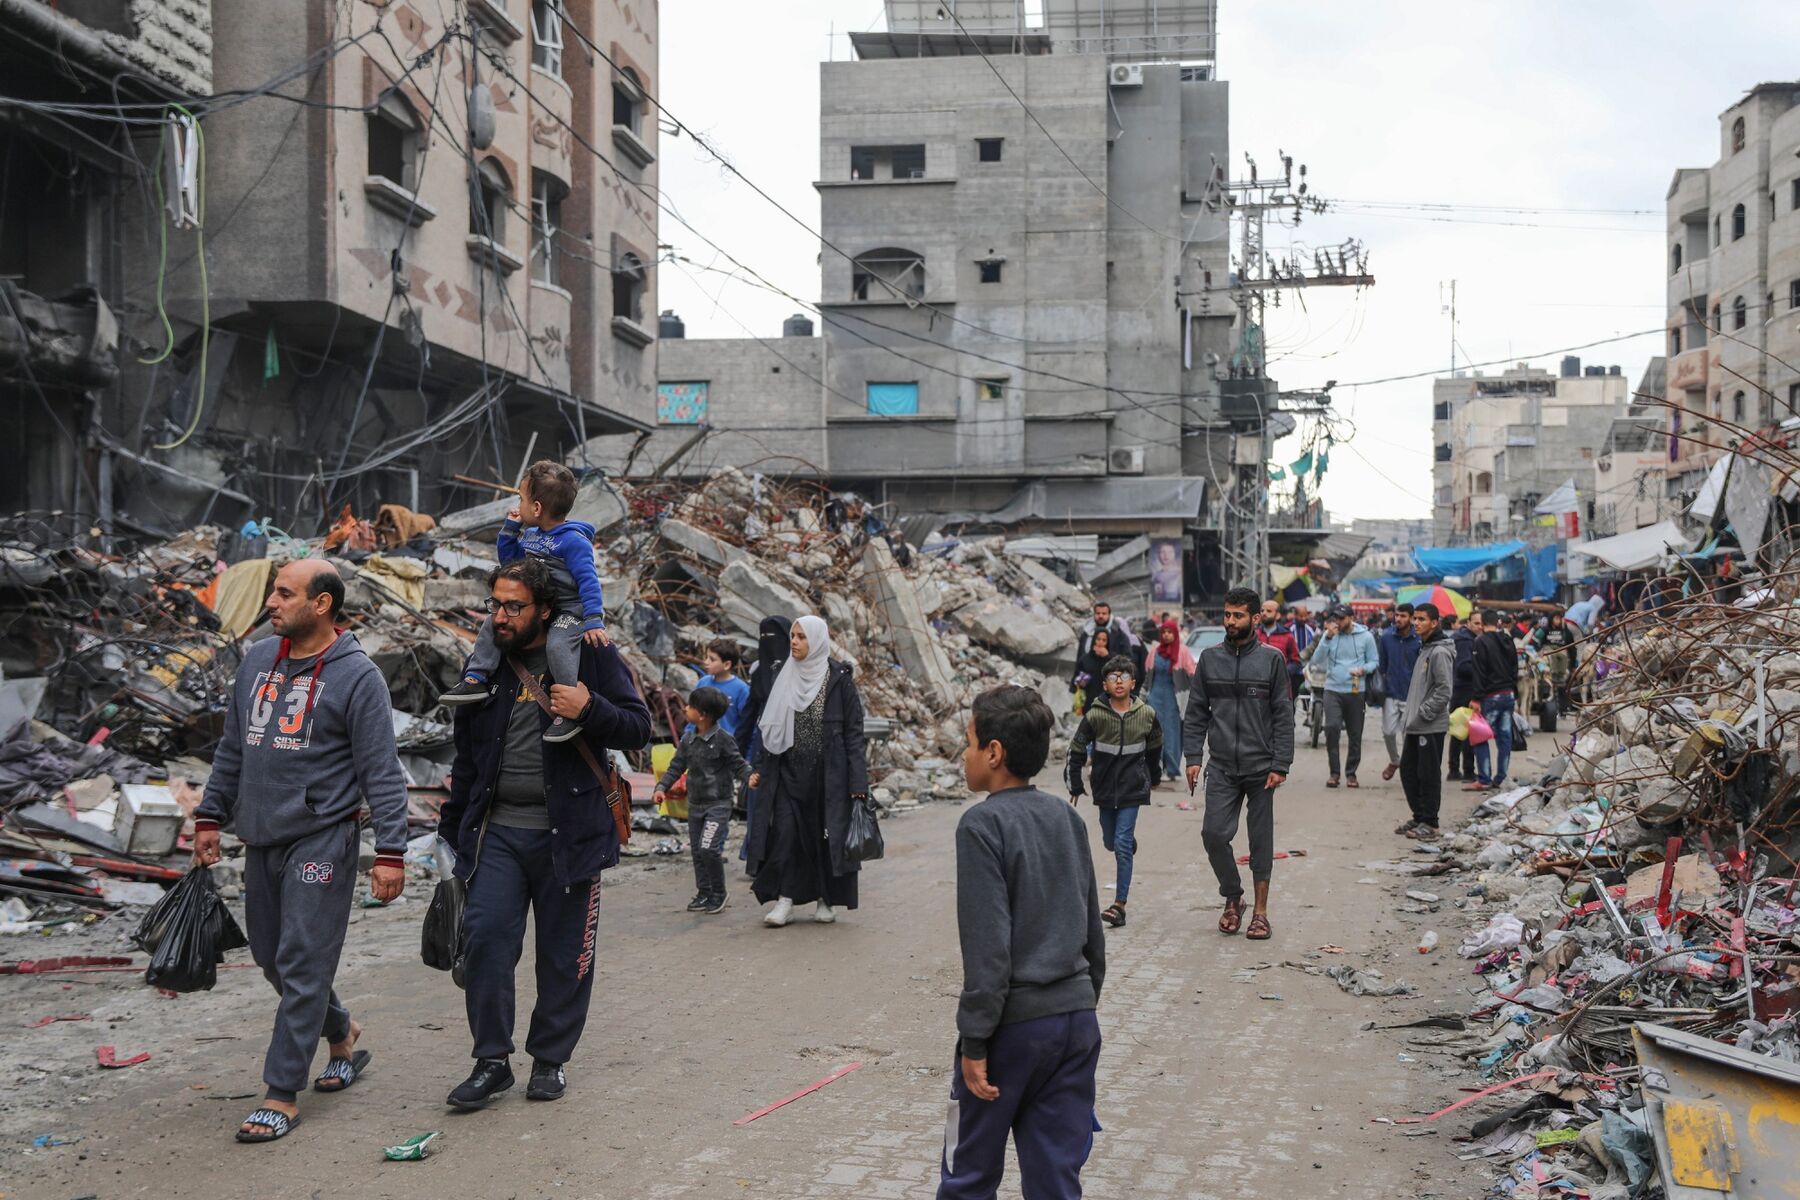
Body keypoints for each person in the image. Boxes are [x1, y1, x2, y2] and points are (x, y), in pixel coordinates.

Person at [192, 559, 409, 1143]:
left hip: (323, 837)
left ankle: (281, 1091)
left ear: (322, 604)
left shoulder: (358, 676)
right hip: (261, 834)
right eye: (273, 592)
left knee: (303, 957)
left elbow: (381, 771)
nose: (272, 602)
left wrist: (391, 850)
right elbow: (234, 746)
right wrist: (210, 815)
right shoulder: (259, 660)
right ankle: (341, 1031)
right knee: (272, 957)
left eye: (285, 593)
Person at [438, 559, 651, 1109]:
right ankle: (491, 1061)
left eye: (514, 607)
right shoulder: (486, 665)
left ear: (546, 610)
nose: (501, 617)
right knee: (484, 943)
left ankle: (550, 1061)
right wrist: (450, 834)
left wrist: (589, 706)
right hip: (498, 834)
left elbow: (637, 728)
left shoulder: (590, 651)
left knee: (563, 957)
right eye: (495, 605)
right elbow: (467, 757)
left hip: (570, 835)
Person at [940, 685, 1105, 1200]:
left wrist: (974, 1041)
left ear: (993, 753)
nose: (963, 756)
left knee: (968, 1174)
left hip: (1011, 1031)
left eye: (968, 743)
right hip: (1075, 1024)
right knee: (1056, 1179)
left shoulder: (981, 825)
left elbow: (988, 952)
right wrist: (1076, 1006)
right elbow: (1092, 935)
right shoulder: (1067, 818)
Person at [440, 460, 610, 744]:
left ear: (537, 508)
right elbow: (511, 565)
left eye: (522, 498)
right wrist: (509, 531)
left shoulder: (573, 542)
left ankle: (567, 708)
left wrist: (593, 618)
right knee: (495, 622)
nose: (518, 503)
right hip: (538, 606)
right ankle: (476, 678)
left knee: (558, 645)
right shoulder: (532, 536)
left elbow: (588, 581)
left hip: (568, 610)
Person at [1183, 586, 1293, 941]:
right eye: (1227, 615)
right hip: (1223, 768)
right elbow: (1196, 711)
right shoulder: (1210, 659)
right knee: (1213, 834)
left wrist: (1281, 763)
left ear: (1256, 618)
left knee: (1260, 840)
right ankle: (1233, 897)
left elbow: (1283, 715)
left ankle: (1260, 913)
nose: (1230, 622)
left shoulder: (1272, 660)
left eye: (1238, 616)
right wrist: (1194, 757)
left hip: (1262, 768)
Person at [745, 616, 870, 927]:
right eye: (793, 635)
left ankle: (825, 899)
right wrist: (759, 768)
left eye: (802, 636)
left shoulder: (838, 680)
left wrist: (858, 782)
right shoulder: (783, 675)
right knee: (785, 835)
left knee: (824, 839)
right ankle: (785, 901)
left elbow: (854, 734)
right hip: (787, 774)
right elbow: (769, 727)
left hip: (828, 779)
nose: (795, 641)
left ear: (817, 640)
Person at [1066, 655, 1162, 929]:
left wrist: (1153, 777)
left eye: (1123, 677)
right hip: (1105, 788)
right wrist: (1075, 782)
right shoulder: (1095, 716)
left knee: (1120, 843)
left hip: (1133, 788)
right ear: (1105, 685)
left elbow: (1155, 749)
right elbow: (1076, 749)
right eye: (1112, 678)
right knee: (1111, 841)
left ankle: (1119, 905)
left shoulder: (1147, 715)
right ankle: (1126, 845)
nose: (1118, 682)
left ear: (1133, 683)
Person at [656, 686, 750, 916]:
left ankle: (718, 893)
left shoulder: (723, 740)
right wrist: (661, 787)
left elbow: (738, 764)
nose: (686, 709)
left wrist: (751, 777)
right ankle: (704, 893)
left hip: (718, 805)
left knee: (708, 848)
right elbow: (676, 766)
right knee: (698, 851)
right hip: (695, 805)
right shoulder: (688, 739)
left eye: (690, 706)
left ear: (703, 714)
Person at [1396, 603, 1454, 840]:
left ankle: (1431, 822)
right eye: (1415, 619)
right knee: (1409, 771)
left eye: (1421, 619)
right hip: (1415, 725)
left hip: (1429, 725)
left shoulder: (1439, 652)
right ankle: (1419, 816)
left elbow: (1444, 690)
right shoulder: (1425, 649)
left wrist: (1423, 713)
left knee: (1428, 773)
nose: (1416, 623)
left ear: (1434, 622)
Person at [739, 615, 793, 864]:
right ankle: (756, 854)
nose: (767, 643)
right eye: (762, 638)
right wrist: (737, 753)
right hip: (763, 743)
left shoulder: (798, 669)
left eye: (772, 637)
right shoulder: (760, 671)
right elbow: (750, 711)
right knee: (758, 800)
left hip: (793, 741)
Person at [1307, 606, 1379, 788]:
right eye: (1336, 618)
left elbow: (1374, 661)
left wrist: (1364, 669)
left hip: (1356, 690)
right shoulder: (1329, 636)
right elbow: (1315, 660)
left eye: (1342, 618)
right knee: (1331, 728)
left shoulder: (1366, 636)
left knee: (1355, 733)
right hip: (1332, 689)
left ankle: (1351, 773)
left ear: (1351, 618)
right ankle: (1334, 772)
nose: (1338, 622)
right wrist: (1327, 638)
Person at [1467, 609, 1519, 793]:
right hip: (1508, 694)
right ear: (1497, 622)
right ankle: (1501, 777)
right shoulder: (1507, 640)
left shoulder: (1480, 641)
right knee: (1504, 737)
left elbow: (1479, 672)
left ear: (1481, 623)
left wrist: (1476, 698)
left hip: (1490, 697)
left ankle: (1484, 778)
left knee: (1480, 735)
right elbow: (1515, 668)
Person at [1140, 619, 1192, 783]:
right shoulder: (1155, 651)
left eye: (1170, 632)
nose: (1167, 635)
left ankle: (1171, 768)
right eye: (1164, 632)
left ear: (1175, 634)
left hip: (1174, 698)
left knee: (1172, 734)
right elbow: (1148, 675)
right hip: (1155, 696)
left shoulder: (1182, 651)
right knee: (1154, 733)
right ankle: (1156, 767)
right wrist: (1143, 696)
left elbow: (1192, 673)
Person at [1376, 603, 1421, 784]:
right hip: (1391, 692)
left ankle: (1409, 767)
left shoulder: (1419, 639)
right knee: (1387, 732)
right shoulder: (1387, 638)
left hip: (1412, 694)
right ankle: (1395, 760)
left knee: (1408, 734)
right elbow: (1383, 664)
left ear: (1411, 618)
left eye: (1403, 616)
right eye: (1397, 615)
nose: (1398, 619)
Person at [691, 638, 753, 750]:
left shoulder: (741, 690)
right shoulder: (703, 682)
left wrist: (747, 757)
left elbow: (748, 725)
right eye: (706, 657)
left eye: (712, 659)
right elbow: (693, 715)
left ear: (727, 664)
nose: (706, 662)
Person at [1445, 612, 1477, 781]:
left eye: (1481, 623)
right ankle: (1467, 770)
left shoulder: (1463, 638)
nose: (1480, 626)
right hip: (1464, 689)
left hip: (1459, 688)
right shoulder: (1466, 641)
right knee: (1465, 732)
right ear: (1469, 623)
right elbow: (1464, 667)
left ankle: (1455, 769)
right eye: (1476, 623)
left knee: (1458, 731)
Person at [1074, 600, 1138, 675]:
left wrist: (1108, 656)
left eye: (1104, 613)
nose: (1100, 616)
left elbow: (1128, 660)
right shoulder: (1086, 633)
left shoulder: (1119, 635)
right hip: (1088, 680)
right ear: (1094, 614)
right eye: (1098, 613)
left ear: (1109, 615)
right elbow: (1079, 660)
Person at [1531, 612, 1577, 712]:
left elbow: (1572, 648)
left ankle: (1563, 710)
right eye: (1556, 618)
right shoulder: (1545, 630)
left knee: (1562, 687)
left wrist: (1573, 665)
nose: (1558, 621)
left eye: (1559, 618)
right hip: (1547, 660)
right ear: (1551, 619)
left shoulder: (1565, 632)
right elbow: (1534, 639)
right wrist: (1539, 650)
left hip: (1562, 663)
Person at [1072, 627, 1126, 711]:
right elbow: (1076, 678)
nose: (1100, 642)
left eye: (1104, 640)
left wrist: (1107, 657)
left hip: (1109, 703)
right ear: (1094, 640)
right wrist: (1080, 682)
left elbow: (1122, 673)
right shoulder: (1085, 659)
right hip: (1089, 702)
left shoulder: (1113, 658)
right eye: (1098, 639)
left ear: (1108, 643)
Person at [1255, 599, 1301, 696]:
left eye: (1269, 611)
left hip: (1281, 688)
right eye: (1262, 611)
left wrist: (1283, 672)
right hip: (1258, 687)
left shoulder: (1287, 635)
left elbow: (1296, 662)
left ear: (1278, 615)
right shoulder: (1254, 635)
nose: (1264, 613)